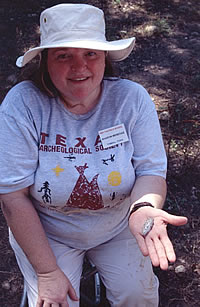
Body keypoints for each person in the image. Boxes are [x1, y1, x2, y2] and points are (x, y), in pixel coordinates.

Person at [0, 3, 187, 307]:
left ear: (104, 58)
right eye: (64, 56)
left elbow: (151, 171)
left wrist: (143, 207)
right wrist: (47, 271)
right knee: (56, 301)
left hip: (118, 225)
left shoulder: (131, 99)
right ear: (45, 61)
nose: (80, 67)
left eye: (90, 54)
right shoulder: (22, 105)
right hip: (49, 231)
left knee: (137, 295)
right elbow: (12, 195)